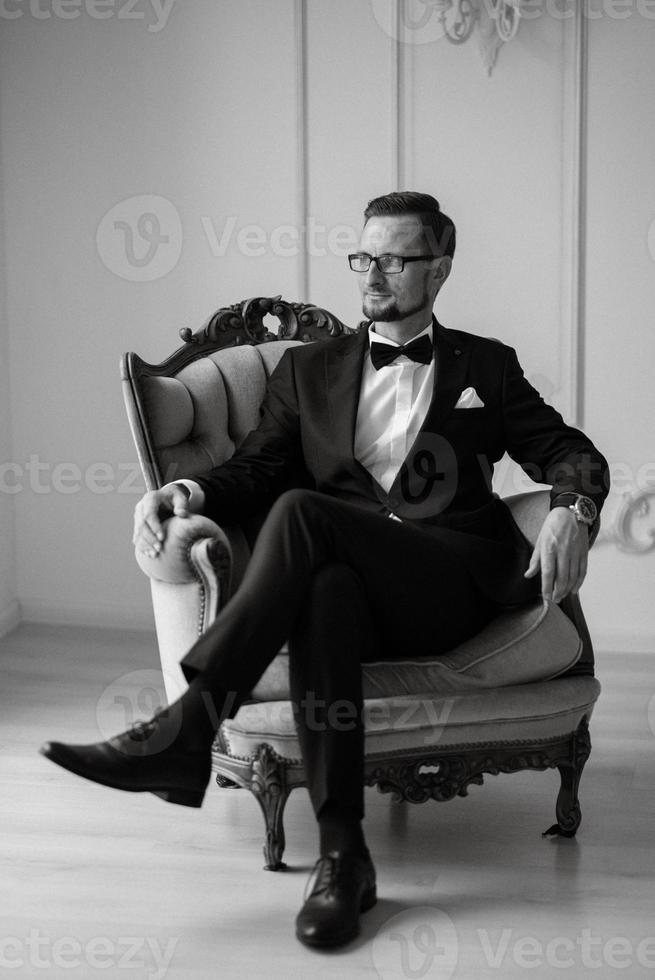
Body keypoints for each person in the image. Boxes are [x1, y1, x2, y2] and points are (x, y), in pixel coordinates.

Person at [41, 191, 609, 949]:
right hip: (355, 586)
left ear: (438, 270)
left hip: (448, 582)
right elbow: (256, 470)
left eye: (395, 258)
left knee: (305, 513)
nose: (372, 274)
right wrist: (192, 489)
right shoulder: (308, 371)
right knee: (325, 589)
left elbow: (571, 452)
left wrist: (572, 507)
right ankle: (345, 857)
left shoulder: (486, 365)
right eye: (363, 256)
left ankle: (189, 726)